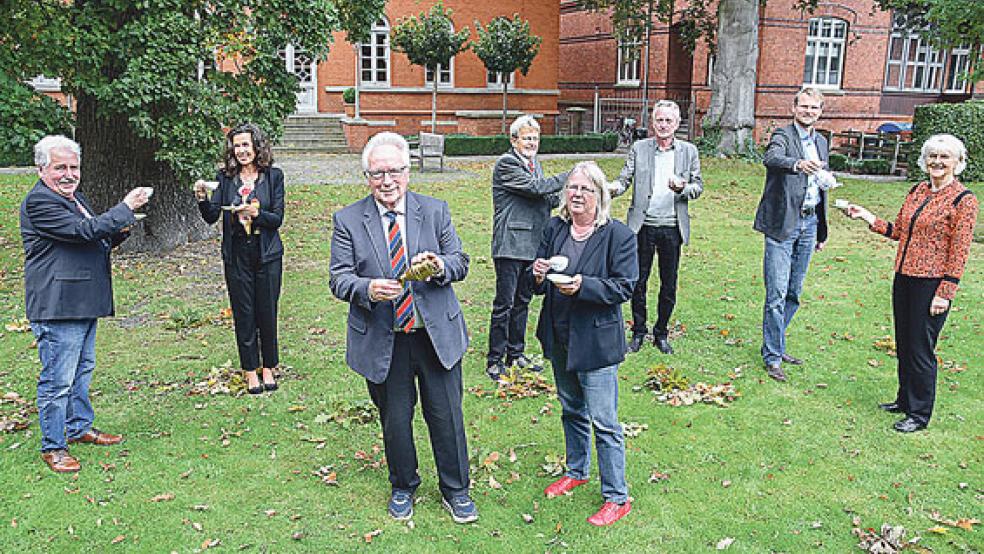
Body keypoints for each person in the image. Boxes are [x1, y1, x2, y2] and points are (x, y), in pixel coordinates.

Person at [329, 132, 477, 524]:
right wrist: (367, 289)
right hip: (385, 338)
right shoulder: (348, 220)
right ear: (367, 177)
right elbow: (338, 278)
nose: (387, 181)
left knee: (446, 416)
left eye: (394, 171)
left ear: (408, 172)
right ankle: (403, 485)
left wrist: (440, 266)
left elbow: (460, 260)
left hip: (434, 335)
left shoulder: (435, 211)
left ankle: (456, 490)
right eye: (377, 173)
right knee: (395, 419)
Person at [21, 135, 150, 473]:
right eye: (60, 167)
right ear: (41, 169)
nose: (69, 174)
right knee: (58, 379)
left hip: (82, 300)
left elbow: (92, 235)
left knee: (82, 370)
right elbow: (82, 232)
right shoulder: (40, 201)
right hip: (58, 304)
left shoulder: (75, 198)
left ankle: (78, 427)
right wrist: (124, 207)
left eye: (74, 167)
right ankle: (54, 446)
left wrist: (120, 229)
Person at [845, 134, 977, 432]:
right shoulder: (918, 190)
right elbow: (900, 232)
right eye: (933, 156)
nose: (937, 162)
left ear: (957, 162)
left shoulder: (963, 200)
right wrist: (867, 216)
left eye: (944, 157)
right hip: (904, 277)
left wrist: (946, 292)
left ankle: (919, 413)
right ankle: (904, 400)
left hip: (931, 284)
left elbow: (960, 251)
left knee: (920, 349)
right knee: (904, 343)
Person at [531, 161, 638, 526]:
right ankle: (577, 471)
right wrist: (537, 273)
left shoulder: (618, 235)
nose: (577, 195)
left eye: (585, 189)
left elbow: (624, 286)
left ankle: (617, 497)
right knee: (571, 409)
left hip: (596, 341)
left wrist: (584, 286)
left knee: (604, 422)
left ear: (600, 195)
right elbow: (535, 283)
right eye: (572, 188)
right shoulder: (555, 227)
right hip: (560, 334)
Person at [195, 123, 285, 394]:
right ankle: (250, 370)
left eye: (246, 144)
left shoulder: (273, 176)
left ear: (257, 146)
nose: (242, 151)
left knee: (267, 311)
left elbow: (277, 218)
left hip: (267, 253)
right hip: (236, 254)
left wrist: (256, 214)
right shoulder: (224, 178)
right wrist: (202, 198)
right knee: (244, 312)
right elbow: (212, 215)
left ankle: (268, 366)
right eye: (237, 146)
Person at [754, 87, 834, 382]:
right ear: (794, 108)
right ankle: (773, 356)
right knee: (776, 293)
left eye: (814, 108)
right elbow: (772, 158)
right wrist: (797, 164)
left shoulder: (821, 141)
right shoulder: (783, 136)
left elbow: (819, 187)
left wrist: (821, 231)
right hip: (783, 223)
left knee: (793, 293)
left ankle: (775, 341)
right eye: (804, 106)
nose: (808, 112)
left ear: (820, 111)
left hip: (809, 224)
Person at [611, 99, 703, 355]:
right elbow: (624, 179)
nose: (663, 125)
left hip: (672, 226)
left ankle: (661, 333)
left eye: (668, 121)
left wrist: (683, 188)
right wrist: (612, 188)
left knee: (668, 284)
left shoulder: (689, 151)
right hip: (642, 226)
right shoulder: (639, 148)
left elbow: (698, 187)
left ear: (677, 123)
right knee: (638, 282)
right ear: (652, 122)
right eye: (659, 120)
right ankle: (639, 331)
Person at [487, 115, 570, 381]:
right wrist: (571, 176)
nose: (532, 143)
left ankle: (515, 353)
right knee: (505, 303)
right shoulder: (507, 163)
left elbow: (547, 198)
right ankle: (495, 359)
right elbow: (535, 188)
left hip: (533, 244)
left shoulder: (535, 165)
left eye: (535, 138)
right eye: (527, 138)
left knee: (523, 301)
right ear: (514, 140)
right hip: (511, 244)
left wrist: (574, 194)